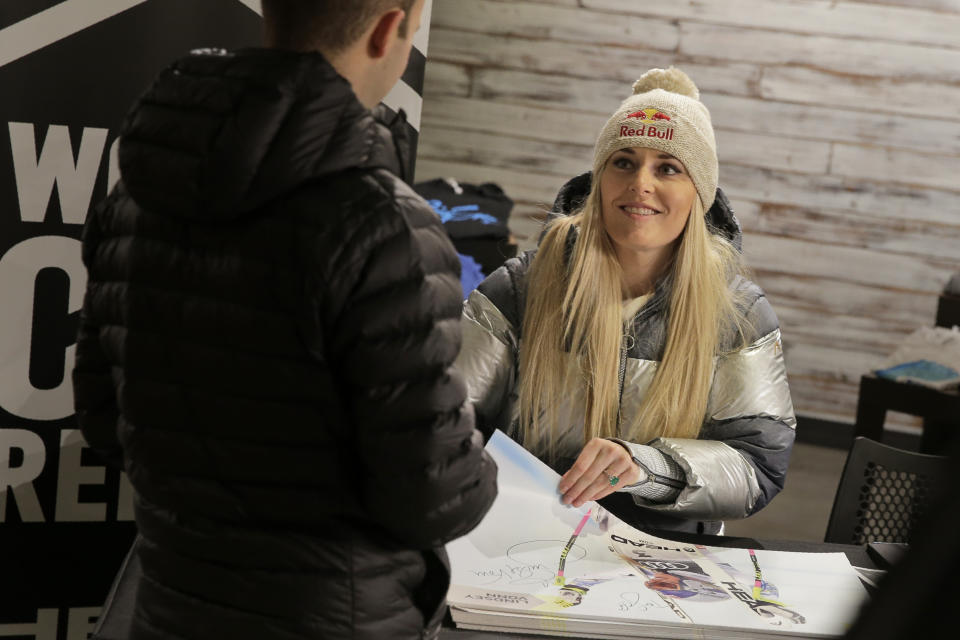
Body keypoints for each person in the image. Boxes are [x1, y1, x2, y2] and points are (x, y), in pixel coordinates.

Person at [71, 1, 497, 639]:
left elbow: (106, 422)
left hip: (169, 607)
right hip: (331, 618)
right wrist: (483, 466)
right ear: (391, 28)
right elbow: (433, 496)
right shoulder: (385, 225)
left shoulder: (135, 195)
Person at [456, 67, 795, 535]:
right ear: (598, 179)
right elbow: (447, 422)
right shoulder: (518, 290)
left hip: (664, 556)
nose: (641, 183)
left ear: (699, 193)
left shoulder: (738, 314)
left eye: (668, 168)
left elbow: (757, 466)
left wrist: (646, 467)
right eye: (623, 161)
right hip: (520, 543)